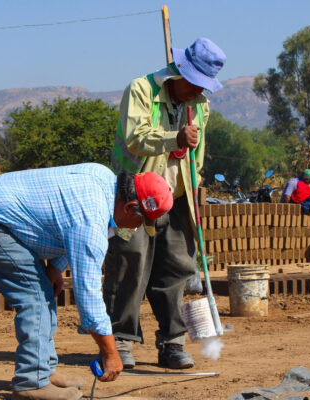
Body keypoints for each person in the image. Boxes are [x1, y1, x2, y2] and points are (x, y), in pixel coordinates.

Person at [0, 163, 173, 400]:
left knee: (42, 293)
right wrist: (111, 352)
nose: (138, 228)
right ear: (130, 207)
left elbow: (63, 220)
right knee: (35, 299)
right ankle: (31, 382)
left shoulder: (104, 181)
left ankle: (43, 371)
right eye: (142, 221)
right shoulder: (91, 219)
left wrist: (56, 267)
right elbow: (88, 297)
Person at [103, 37, 226, 370]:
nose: (197, 91)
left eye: (203, 86)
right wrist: (175, 138)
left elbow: (197, 154)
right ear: (179, 72)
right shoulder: (141, 90)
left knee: (176, 269)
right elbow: (135, 138)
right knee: (129, 265)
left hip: (178, 196)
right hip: (135, 194)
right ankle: (121, 341)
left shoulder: (199, 104)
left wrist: (194, 188)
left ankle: (172, 343)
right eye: (193, 83)